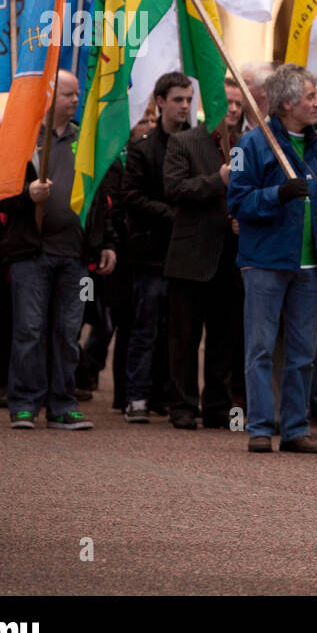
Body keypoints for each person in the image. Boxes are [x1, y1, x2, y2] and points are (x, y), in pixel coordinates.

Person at [0, 72, 117, 429]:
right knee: (29, 328)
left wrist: (105, 243)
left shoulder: (84, 138)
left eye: (77, 95)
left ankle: (63, 403)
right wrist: (27, 195)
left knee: (67, 330)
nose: (75, 101)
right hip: (31, 251)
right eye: (68, 95)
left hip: (75, 254)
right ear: (48, 98)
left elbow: (101, 196)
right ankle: (24, 402)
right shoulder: (17, 136)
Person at [227, 63, 317, 454]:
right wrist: (278, 195)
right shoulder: (251, 144)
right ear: (288, 102)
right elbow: (237, 201)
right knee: (259, 348)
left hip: (311, 264)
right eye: (310, 96)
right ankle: (260, 426)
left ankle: (295, 429)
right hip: (265, 262)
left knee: (303, 353)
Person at [162, 78, 246, 430]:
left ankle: (217, 405)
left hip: (231, 257)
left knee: (224, 338)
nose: (231, 109)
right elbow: (175, 189)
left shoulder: (247, 145)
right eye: (225, 102)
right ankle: (182, 405)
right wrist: (218, 180)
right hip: (192, 256)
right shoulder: (185, 142)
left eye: (238, 104)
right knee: (184, 336)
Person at [121, 72, 192, 423]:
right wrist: (171, 214)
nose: (184, 106)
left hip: (185, 253)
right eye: (178, 99)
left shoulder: (197, 144)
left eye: (189, 100)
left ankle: (168, 394)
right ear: (161, 101)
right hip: (150, 252)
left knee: (177, 330)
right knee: (145, 327)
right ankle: (136, 396)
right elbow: (131, 196)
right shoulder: (143, 147)